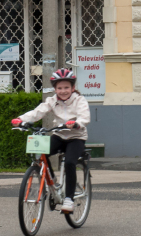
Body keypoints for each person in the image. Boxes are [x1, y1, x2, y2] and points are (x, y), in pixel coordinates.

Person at [12, 68, 90, 214]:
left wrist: (77, 123)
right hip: (59, 135)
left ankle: (69, 199)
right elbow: (38, 112)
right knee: (42, 152)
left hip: (76, 137)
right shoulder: (52, 101)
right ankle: (53, 183)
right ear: (55, 89)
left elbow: (84, 116)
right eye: (59, 88)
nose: (63, 91)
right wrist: (21, 119)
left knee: (69, 163)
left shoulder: (79, 100)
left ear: (73, 88)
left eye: (67, 87)